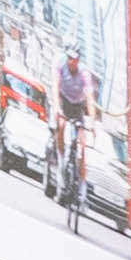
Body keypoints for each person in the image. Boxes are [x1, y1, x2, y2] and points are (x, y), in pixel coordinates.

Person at [53, 47, 100, 229]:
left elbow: (89, 99)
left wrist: (93, 123)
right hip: (64, 101)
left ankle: (81, 190)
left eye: (75, 59)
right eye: (70, 58)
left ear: (79, 60)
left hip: (78, 106)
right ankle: (61, 158)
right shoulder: (60, 66)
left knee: (82, 145)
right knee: (62, 126)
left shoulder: (84, 74)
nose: (72, 62)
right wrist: (57, 107)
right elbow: (55, 88)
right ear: (67, 58)